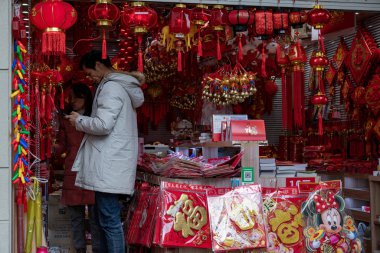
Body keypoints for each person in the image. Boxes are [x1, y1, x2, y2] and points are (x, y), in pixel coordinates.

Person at [66, 50, 144, 253]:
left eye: (89, 72)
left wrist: (79, 120)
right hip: (111, 164)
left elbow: (103, 124)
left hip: (109, 166)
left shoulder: (111, 88)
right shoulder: (117, 87)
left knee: (108, 220)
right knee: (106, 219)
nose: (89, 77)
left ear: (99, 66)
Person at [54, 83, 100, 253]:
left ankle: (97, 249)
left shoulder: (96, 119)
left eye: (77, 97)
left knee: (96, 218)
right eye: (71, 97)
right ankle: (79, 249)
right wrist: (48, 148)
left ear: (86, 98)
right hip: (72, 169)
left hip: (93, 168)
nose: (73, 101)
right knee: (75, 217)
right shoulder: (66, 120)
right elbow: (61, 145)